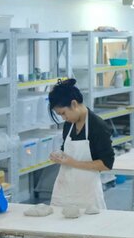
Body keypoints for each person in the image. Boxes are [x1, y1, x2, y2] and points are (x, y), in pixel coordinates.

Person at [28, 78, 115, 218]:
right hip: (64, 190)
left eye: (63, 113)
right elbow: (66, 149)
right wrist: (59, 155)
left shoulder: (97, 126)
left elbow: (106, 164)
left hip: (87, 195)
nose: (63, 118)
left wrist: (72, 162)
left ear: (74, 104)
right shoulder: (70, 124)